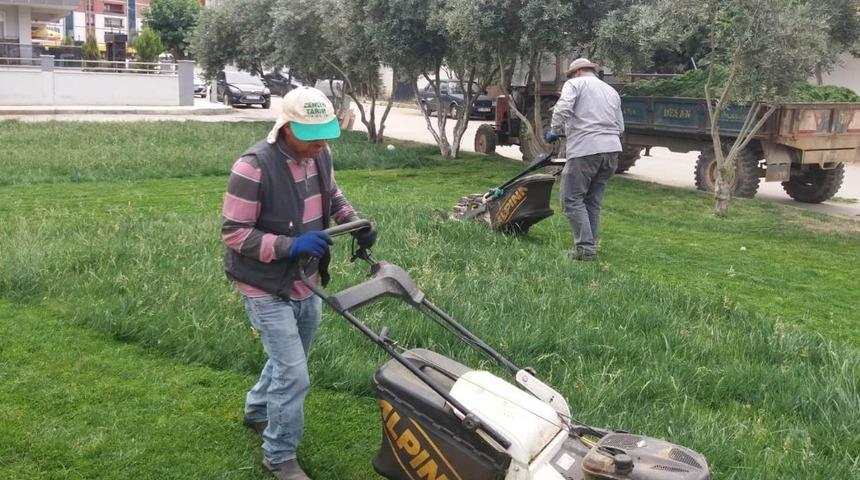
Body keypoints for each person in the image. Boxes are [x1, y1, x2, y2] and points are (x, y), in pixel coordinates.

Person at [221, 86, 377, 480]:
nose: (320, 144)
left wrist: (353, 223)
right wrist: (291, 245)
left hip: (307, 280)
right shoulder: (253, 166)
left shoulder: (321, 156)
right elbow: (235, 234)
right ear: (286, 127)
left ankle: (257, 410)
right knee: (294, 374)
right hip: (265, 285)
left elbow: (333, 197)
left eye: (324, 134)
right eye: (311, 136)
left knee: (290, 363)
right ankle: (278, 455)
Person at [546, 58, 624, 261]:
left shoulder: (575, 84)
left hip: (586, 150)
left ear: (577, 72)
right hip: (612, 150)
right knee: (592, 201)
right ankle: (589, 245)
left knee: (570, 199)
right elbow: (620, 126)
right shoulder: (611, 91)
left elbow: (562, 109)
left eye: (571, 74)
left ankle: (585, 249)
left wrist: (554, 131)